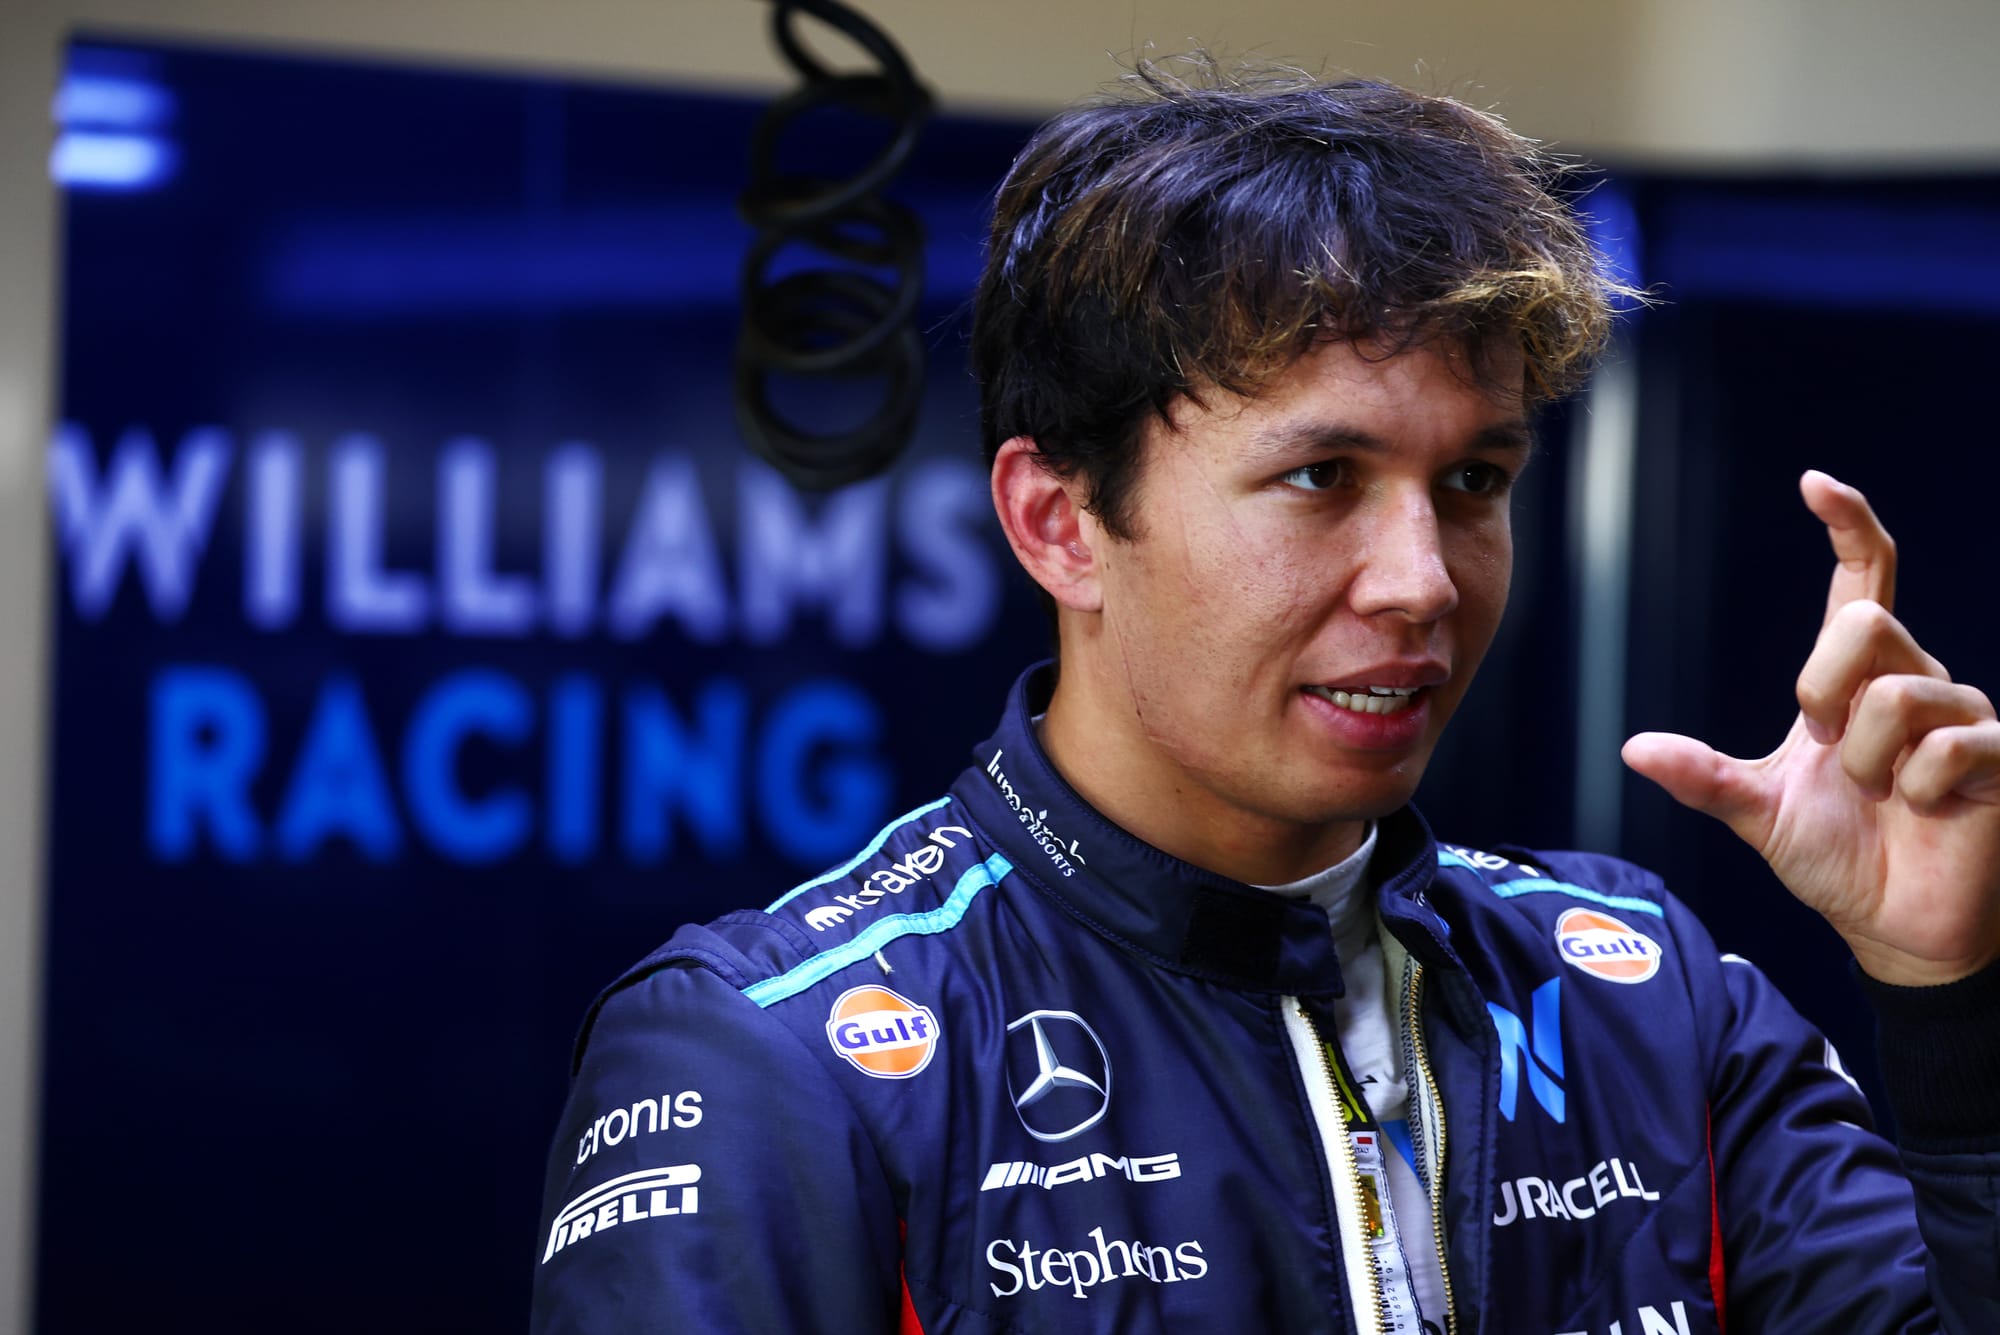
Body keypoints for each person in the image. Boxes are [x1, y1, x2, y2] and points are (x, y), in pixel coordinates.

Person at [530, 64, 2000, 1334]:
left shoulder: (1649, 999)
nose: (1422, 581)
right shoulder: (773, 1058)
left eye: (1473, 480)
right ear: (1059, 523)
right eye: (1321, 477)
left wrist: (1951, 994)